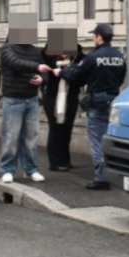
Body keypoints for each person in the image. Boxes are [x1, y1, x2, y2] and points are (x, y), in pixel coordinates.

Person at [60, 23, 126, 190]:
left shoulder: (93, 57)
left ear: (99, 37)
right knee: (111, 141)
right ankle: (113, 175)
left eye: (94, 35)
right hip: (114, 102)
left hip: (97, 103)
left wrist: (61, 72)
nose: (93, 38)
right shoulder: (119, 56)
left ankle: (101, 178)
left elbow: (77, 75)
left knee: (97, 142)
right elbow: (121, 77)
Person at [0, 27, 51, 183]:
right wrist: (36, 68)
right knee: (11, 136)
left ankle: (31, 169)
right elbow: (14, 63)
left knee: (31, 136)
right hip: (13, 98)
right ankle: (7, 169)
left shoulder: (35, 51)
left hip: (32, 98)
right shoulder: (7, 48)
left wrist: (42, 79)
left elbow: (45, 72)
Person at [42, 38, 83, 171]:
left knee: (67, 127)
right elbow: (43, 57)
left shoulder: (77, 58)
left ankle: (65, 159)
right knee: (55, 127)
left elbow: (83, 63)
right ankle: (55, 161)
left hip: (71, 95)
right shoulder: (49, 57)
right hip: (53, 95)